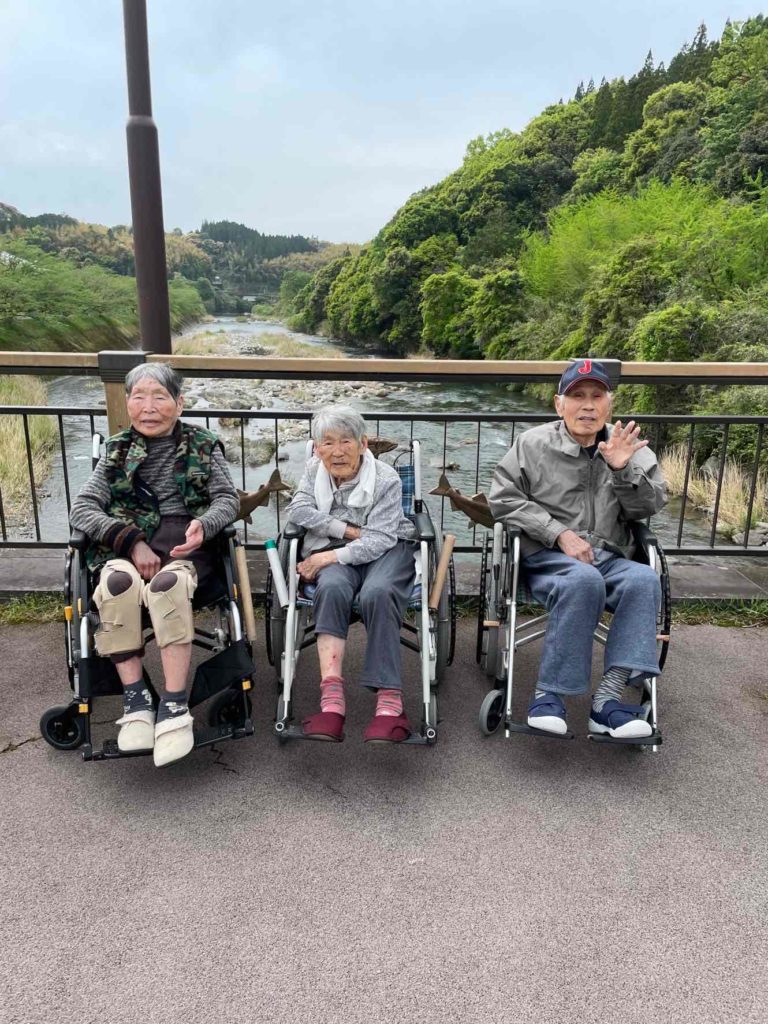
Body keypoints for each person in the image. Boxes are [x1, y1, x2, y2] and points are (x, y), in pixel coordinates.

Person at [69, 363, 239, 766]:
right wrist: (130, 541)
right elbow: (82, 508)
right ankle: (137, 702)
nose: (148, 407)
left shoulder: (202, 444)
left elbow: (227, 499)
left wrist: (204, 525)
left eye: (159, 396)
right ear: (128, 402)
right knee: (116, 587)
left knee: (167, 588)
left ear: (179, 403)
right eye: (139, 397)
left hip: (185, 548)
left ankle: (175, 706)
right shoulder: (116, 451)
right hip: (125, 549)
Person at [488, 358, 668, 739]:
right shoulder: (532, 444)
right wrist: (557, 533)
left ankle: (606, 702)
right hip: (547, 558)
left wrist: (622, 470)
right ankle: (548, 695)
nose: (587, 405)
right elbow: (502, 498)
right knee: (583, 580)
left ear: (609, 405)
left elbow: (649, 507)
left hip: (610, 557)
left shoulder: (629, 448)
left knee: (643, 581)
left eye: (596, 396)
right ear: (559, 405)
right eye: (577, 396)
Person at [285, 405, 417, 743]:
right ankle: (332, 701)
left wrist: (327, 556)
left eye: (346, 441)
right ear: (317, 449)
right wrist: (344, 530)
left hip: (388, 549)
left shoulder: (385, 479)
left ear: (363, 444)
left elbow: (380, 540)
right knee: (331, 587)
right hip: (337, 548)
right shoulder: (313, 470)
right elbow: (297, 509)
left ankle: (389, 701)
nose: (337, 451)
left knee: (378, 592)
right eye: (328, 442)